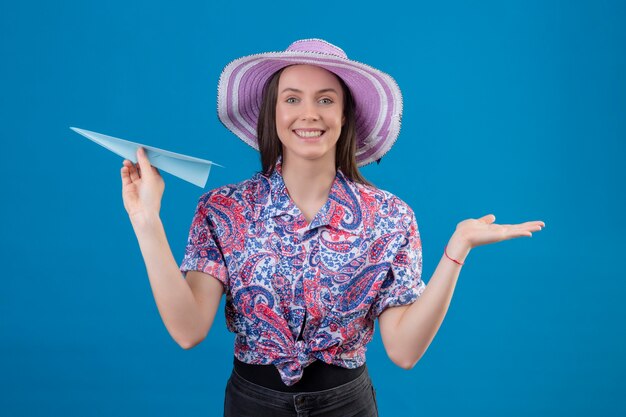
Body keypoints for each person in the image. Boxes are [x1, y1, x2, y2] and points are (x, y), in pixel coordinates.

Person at [120, 39, 545, 416]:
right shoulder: (224, 209)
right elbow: (188, 329)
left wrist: (457, 250)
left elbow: (404, 351)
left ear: (345, 116)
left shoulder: (391, 217)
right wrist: (146, 221)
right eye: (292, 99)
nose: (308, 114)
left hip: (347, 406)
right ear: (272, 113)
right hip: (252, 405)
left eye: (325, 100)